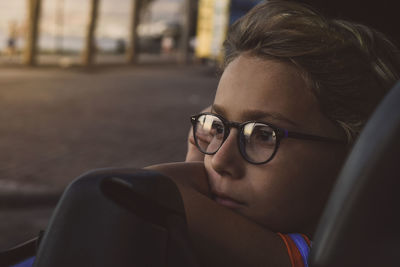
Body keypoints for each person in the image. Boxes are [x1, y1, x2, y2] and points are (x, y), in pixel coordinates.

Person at [148, 1, 400, 266]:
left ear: (357, 154)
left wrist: (196, 163)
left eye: (263, 135)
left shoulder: (321, 256)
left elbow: (155, 188)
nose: (221, 161)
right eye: (218, 128)